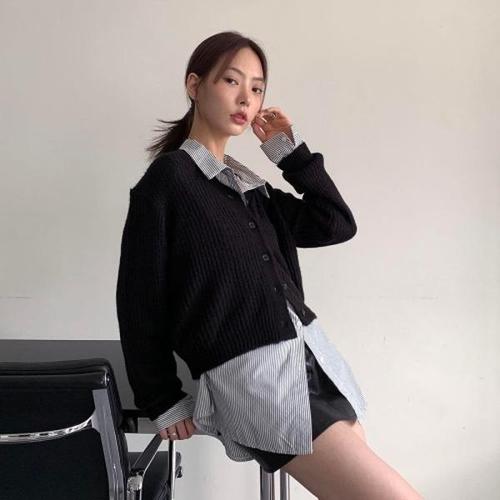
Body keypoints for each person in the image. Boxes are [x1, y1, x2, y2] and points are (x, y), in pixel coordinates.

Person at [116, 30, 423, 499]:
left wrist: (288, 152)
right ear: (195, 85)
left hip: (310, 360)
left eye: (257, 88)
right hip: (256, 380)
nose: (246, 98)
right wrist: (160, 398)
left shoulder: (249, 187)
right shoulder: (169, 181)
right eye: (231, 81)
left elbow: (335, 223)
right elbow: (139, 300)